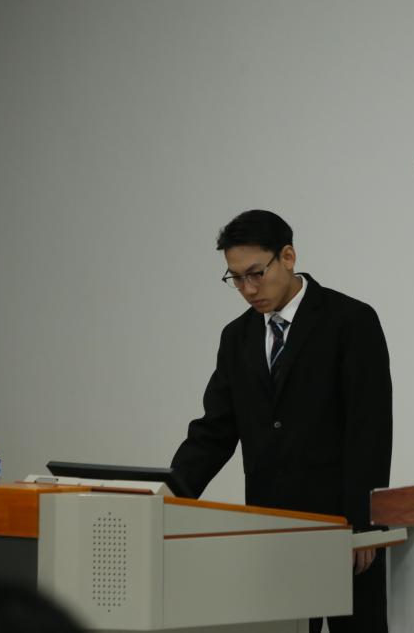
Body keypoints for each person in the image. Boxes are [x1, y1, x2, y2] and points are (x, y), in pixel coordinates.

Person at [170, 209, 392, 633]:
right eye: (236, 278)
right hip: (271, 529)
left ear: (287, 257)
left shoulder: (350, 320)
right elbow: (214, 432)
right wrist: (169, 495)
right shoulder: (237, 337)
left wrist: (362, 524)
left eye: (256, 273)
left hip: (341, 527)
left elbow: (370, 430)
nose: (248, 289)